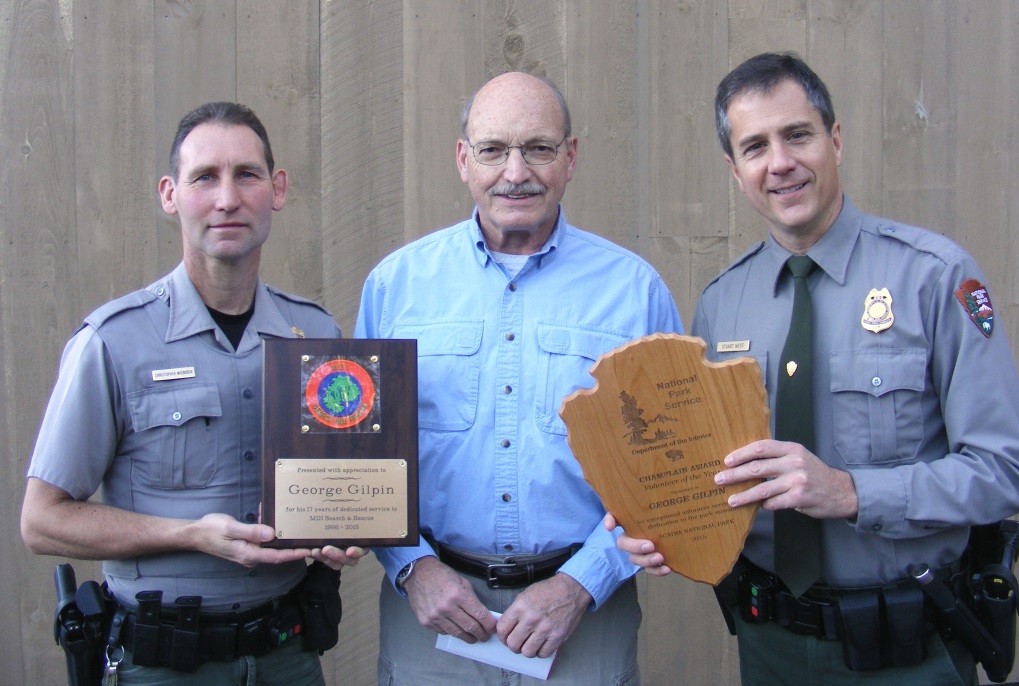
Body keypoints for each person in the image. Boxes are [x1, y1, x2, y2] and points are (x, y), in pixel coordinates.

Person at [612, 53, 1019, 685]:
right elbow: (709, 473)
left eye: (797, 134)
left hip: (908, 651)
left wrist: (851, 492)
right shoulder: (721, 303)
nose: (779, 162)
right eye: (754, 146)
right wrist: (662, 524)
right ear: (735, 171)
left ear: (834, 140)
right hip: (771, 645)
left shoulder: (934, 278)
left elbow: (1006, 474)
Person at [20, 102, 367, 685]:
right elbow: (42, 522)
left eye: (246, 175)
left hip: (288, 657)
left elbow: (335, 489)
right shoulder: (114, 342)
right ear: (170, 194)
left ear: (276, 189)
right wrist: (188, 536)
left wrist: (347, 530)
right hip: (163, 662)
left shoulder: (317, 336)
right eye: (204, 176)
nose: (227, 198)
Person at [355, 71, 682, 685]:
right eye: (493, 149)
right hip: (434, 617)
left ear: (571, 156)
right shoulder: (395, 288)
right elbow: (359, 456)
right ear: (462, 159)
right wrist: (410, 568)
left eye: (538, 147)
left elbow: (669, 471)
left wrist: (583, 583)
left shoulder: (635, 293)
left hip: (584, 619)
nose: (515, 171)